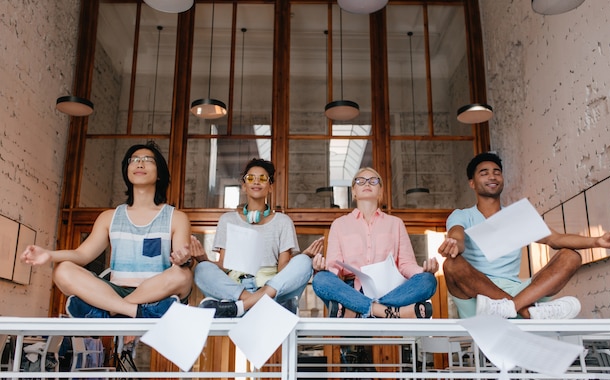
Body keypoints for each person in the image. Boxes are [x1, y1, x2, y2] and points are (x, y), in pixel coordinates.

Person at [438, 152, 610, 319]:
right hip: (478, 299)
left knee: (571, 256)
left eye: (497, 171)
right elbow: (457, 236)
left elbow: (555, 239)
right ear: (472, 183)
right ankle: (527, 311)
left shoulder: (517, 217)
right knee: (452, 264)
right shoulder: (461, 215)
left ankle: (512, 307)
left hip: (519, 292)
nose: (492, 176)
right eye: (484, 172)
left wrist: (598, 241)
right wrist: (455, 244)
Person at [20, 141, 194, 318]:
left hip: (156, 293)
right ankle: (137, 312)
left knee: (183, 275)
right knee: (62, 270)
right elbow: (82, 255)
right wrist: (49, 255)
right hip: (114, 291)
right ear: (127, 171)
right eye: (133, 160)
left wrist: (184, 259)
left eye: (148, 159)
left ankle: (105, 311)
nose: (139, 163)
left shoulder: (176, 217)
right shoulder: (109, 217)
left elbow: (182, 262)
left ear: (159, 174)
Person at [191, 158, 323, 318]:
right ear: (244, 186)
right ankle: (263, 304)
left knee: (304, 262)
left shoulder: (283, 221)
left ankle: (239, 307)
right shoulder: (228, 219)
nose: (256, 182)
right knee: (202, 269)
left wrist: (304, 256)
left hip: (270, 285)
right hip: (236, 286)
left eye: (262, 178)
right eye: (250, 178)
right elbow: (224, 266)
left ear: (270, 187)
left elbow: (283, 268)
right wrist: (203, 259)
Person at [311, 167, 438, 319]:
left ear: (380, 191)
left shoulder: (396, 223)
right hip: (353, 290)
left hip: (391, 290)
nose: (367, 184)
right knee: (320, 280)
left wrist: (424, 271)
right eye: (360, 181)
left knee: (428, 281)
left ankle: (358, 311)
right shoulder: (339, 224)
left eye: (373, 181)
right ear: (354, 191)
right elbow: (333, 267)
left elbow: (405, 264)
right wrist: (322, 268)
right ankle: (389, 311)